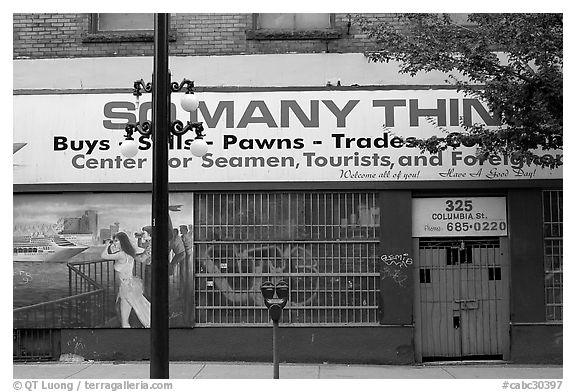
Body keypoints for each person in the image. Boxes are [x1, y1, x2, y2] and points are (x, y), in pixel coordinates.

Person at [101, 232, 150, 328]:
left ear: (122, 242)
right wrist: (146, 253)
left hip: (126, 288)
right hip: (129, 285)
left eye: (116, 241)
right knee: (135, 309)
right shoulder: (129, 253)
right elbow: (141, 258)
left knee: (124, 321)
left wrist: (106, 245)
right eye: (113, 241)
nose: (114, 243)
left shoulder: (121, 255)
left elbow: (103, 256)